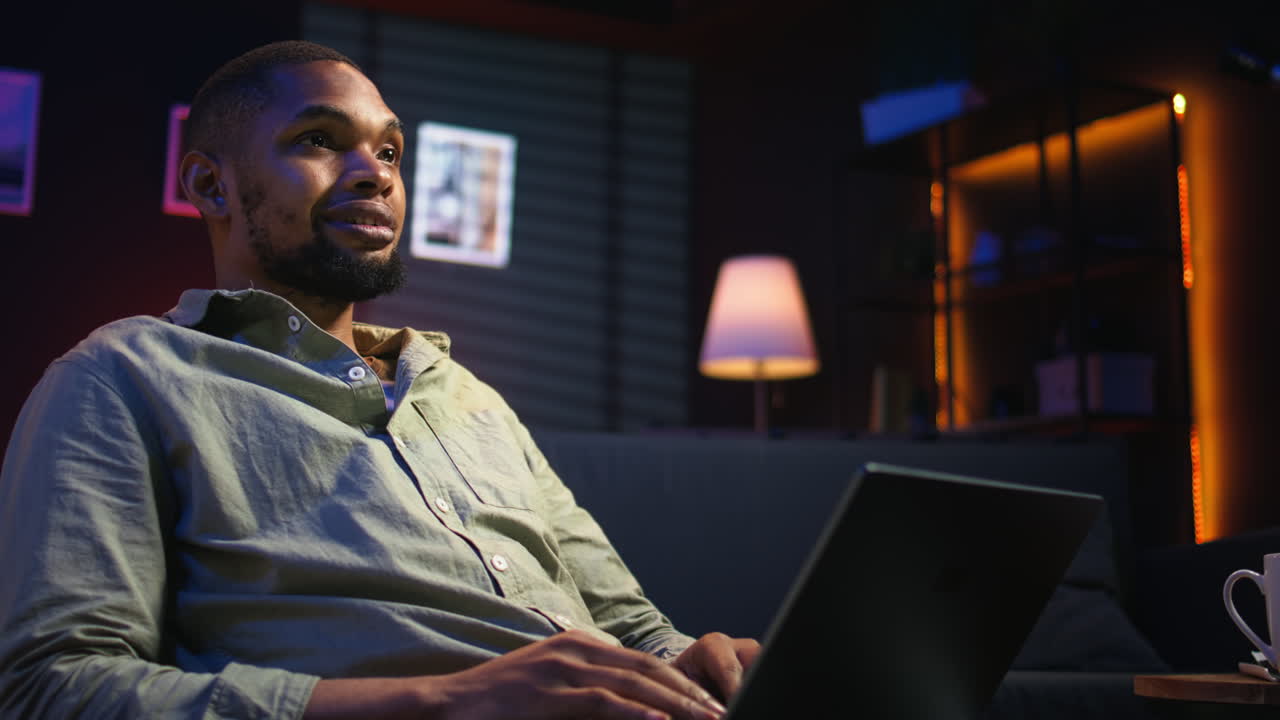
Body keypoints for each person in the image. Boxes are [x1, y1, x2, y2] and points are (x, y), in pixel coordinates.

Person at [0, 41, 757, 720]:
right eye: (321, 141)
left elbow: (634, 629)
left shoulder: (470, 399)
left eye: (391, 152)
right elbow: (56, 689)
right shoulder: (121, 379)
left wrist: (696, 665)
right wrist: (452, 701)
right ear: (211, 186)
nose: (375, 174)